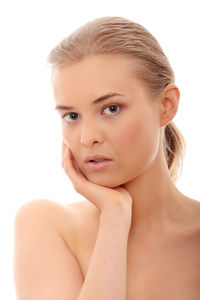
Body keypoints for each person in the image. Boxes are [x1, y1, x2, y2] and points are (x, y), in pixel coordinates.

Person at [14, 16, 200, 300]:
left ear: (166, 105)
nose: (87, 137)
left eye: (111, 109)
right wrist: (114, 218)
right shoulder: (47, 225)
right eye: (71, 116)